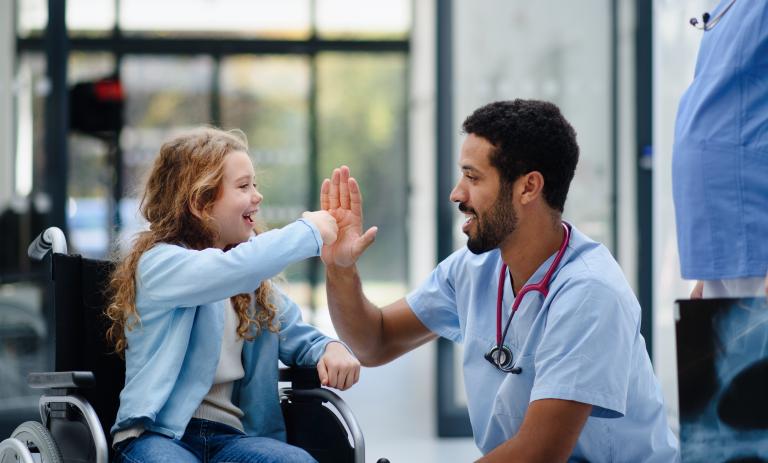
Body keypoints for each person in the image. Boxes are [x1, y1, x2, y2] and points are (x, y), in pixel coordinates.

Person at [321, 100, 679, 462]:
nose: (457, 194)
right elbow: (374, 342)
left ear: (528, 187)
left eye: (473, 177)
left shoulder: (590, 293)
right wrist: (340, 267)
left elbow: (539, 454)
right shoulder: (475, 268)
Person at [105, 128, 360, 463]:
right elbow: (228, 270)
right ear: (199, 201)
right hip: (159, 436)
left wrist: (331, 347)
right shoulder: (160, 264)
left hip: (231, 440)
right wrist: (309, 231)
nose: (257, 196)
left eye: (255, 184)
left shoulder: (253, 286)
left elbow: (298, 335)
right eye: (243, 186)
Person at [673, 0, 768, 299]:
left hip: (754, 227)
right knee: (729, 347)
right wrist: (710, 271)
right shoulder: (728, 6)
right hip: (722, 243)